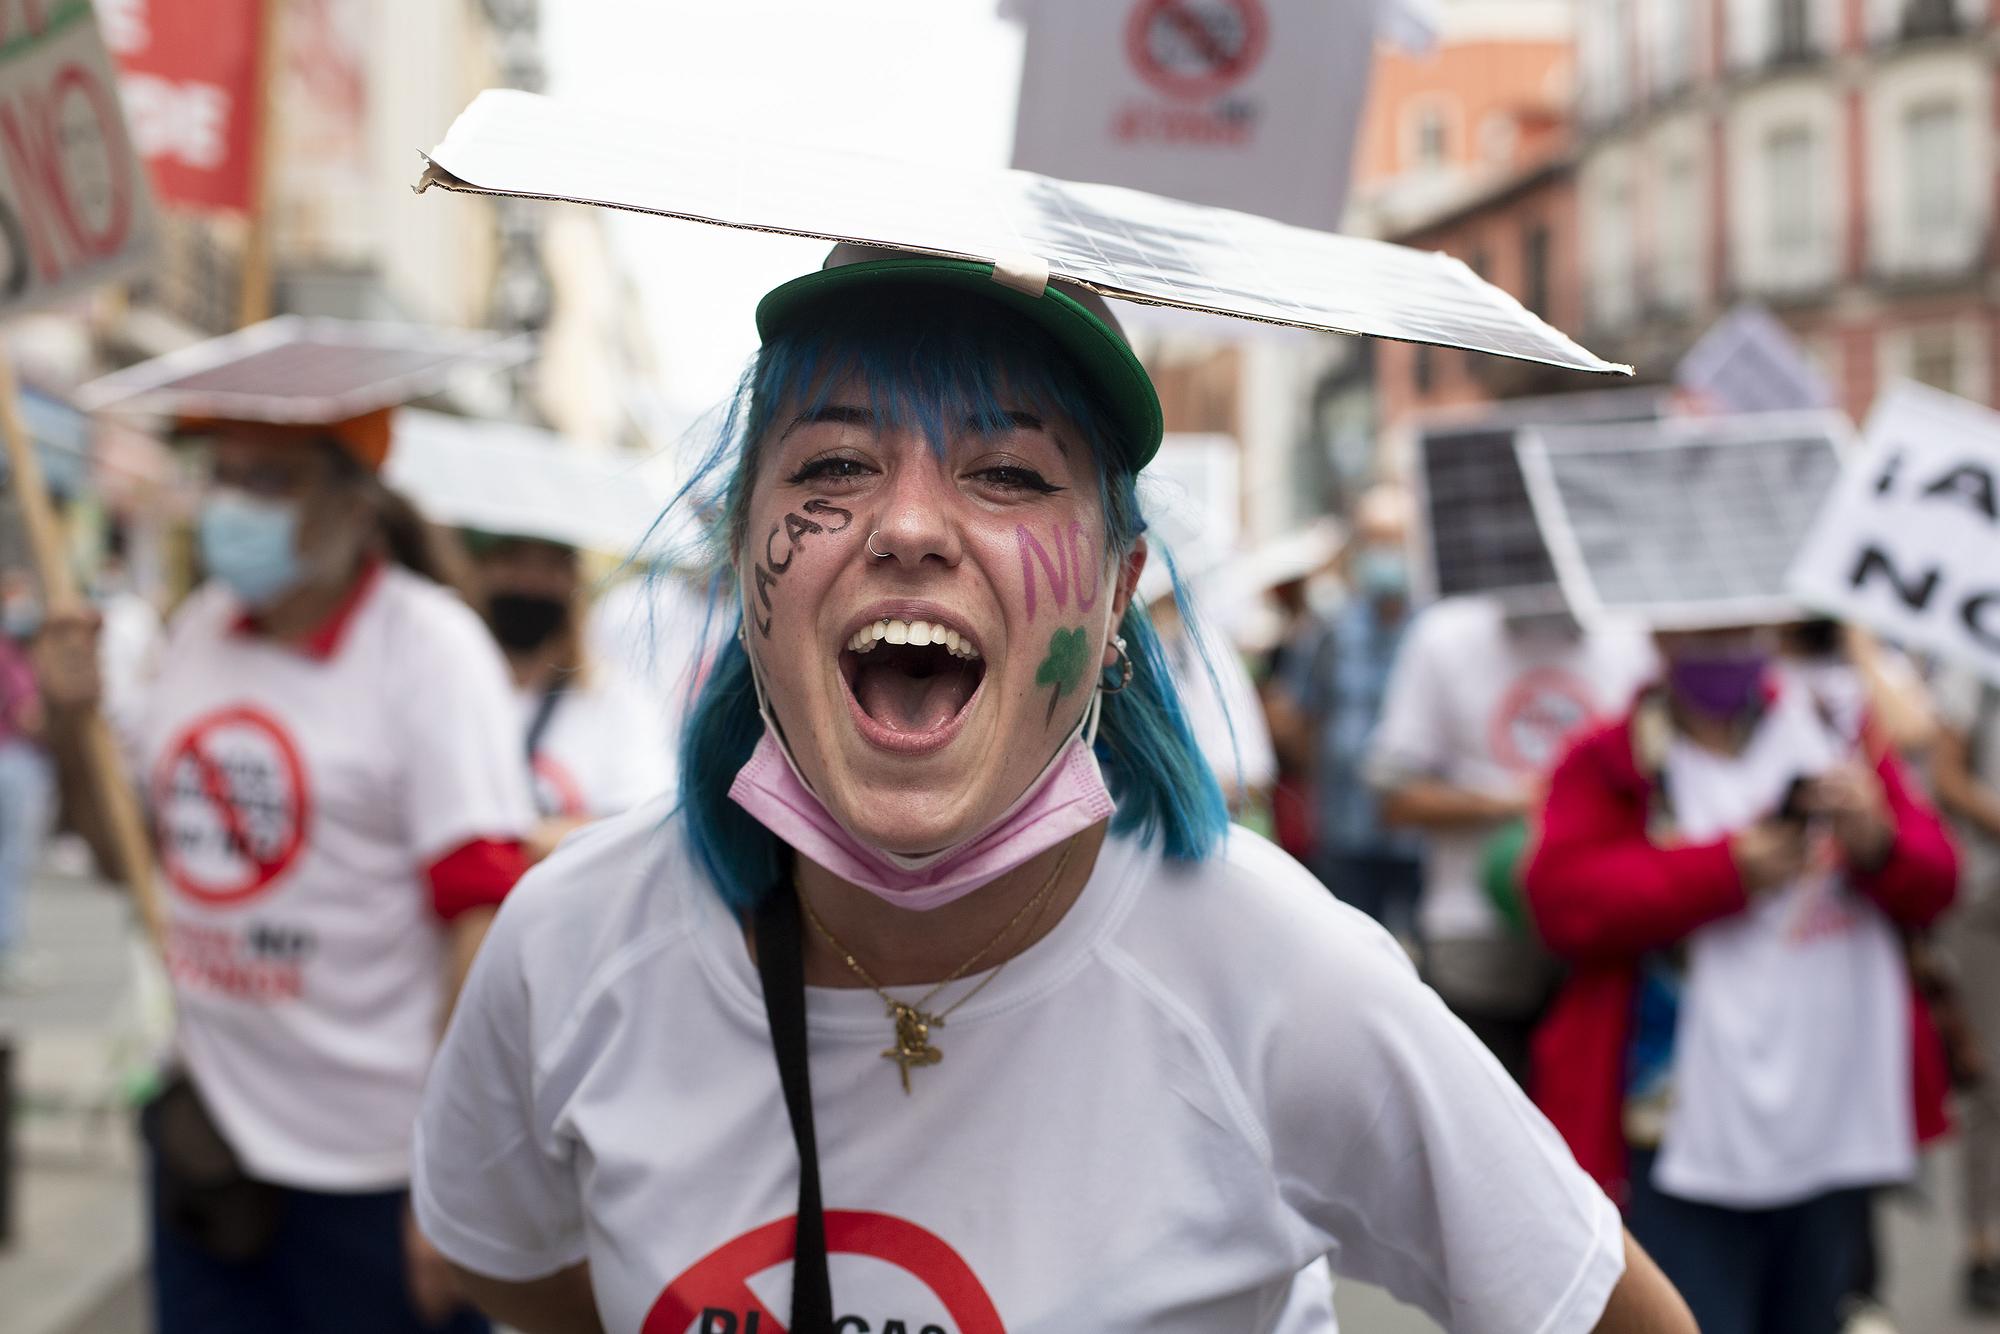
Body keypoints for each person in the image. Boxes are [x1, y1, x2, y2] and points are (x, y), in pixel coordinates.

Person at [412, 244, 1693, 1333]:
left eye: (1009, 473)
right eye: (833, 469)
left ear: (1114, 590)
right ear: (747, 563)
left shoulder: (1286, 979)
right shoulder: (570, 942)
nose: (907, 526)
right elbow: (506, 1259)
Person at [43, 377, 536, 1333]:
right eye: (221, 475)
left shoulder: (429, 651)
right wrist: (71, 726)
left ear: (353, 503)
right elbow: (131, 863)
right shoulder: (196, 634)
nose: (231, 503)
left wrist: (450, 1175)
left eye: (268, 480)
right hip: (210, 1145)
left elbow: (482, 915)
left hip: (374, 1173)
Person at [1526, 622, 1957, 1334]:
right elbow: (1562, 901)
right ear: (1661, 635)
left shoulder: (1839, 736)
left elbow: (1937, 879)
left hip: (1829, 1118)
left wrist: (1881, 842)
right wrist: (1724, 871)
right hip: (1676, 1134)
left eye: (1742, 628)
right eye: (1705, 631)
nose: (1725, 647)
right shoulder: (1609, 759)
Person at [1367, 594, 1655, 1079]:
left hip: (1601, 944)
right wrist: (1515, 801)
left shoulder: (1630, 633)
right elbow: (1395, 798)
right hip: (1475, 944)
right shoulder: (1443, 636)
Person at [1269, 484, 1424, 938]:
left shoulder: (1435, 628)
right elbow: (1299, 717)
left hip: (1420, 835)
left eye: (1396, 538)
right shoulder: (1330, 631)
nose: (1386, 552)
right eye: (1375, 538)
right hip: (1345, 830)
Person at [465, 531, 671, 859]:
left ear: (574, 582)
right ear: (481, 570)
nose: (529, 583)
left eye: (550, 566)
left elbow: (640, 821)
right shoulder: (451, 688)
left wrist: (517, 840)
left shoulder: (615, 700)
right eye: (512, 560)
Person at [1933, 664, 2000, 1311]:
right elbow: (1947, 774)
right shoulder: (1971, 655)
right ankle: (1983, 1242)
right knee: (1989, 1079)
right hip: (1986, 898)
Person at [0, 570, 52, 990]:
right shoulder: (8, 654)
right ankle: (8, 951)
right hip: (11, 762)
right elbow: (28, 715)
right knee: (10, 861)